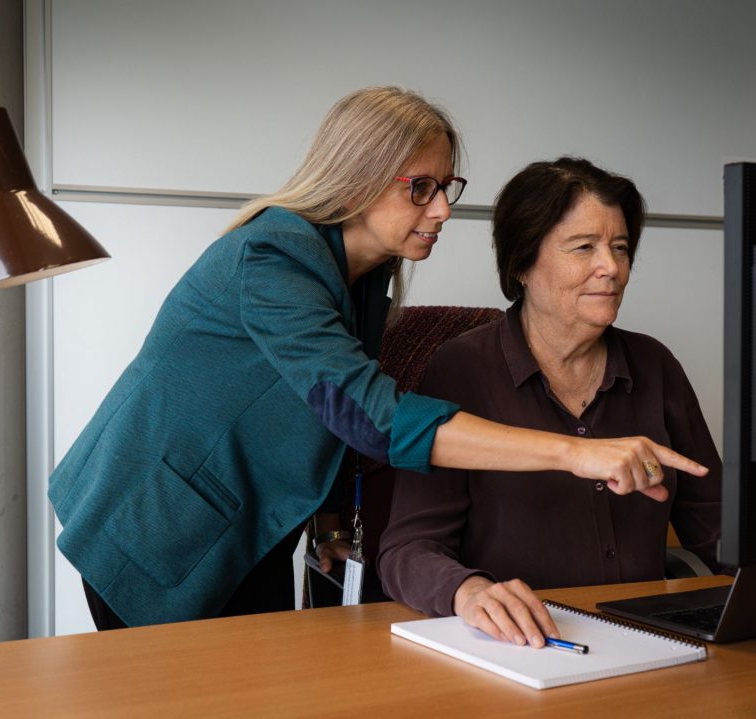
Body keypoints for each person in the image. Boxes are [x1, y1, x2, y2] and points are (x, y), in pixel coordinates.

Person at [49, 90, 709, 630]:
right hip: (161, 525)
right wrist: (574, 452)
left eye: (446, 185)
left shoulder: (366, 277)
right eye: (420, 187)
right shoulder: (275, 258)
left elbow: (320, 409)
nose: (444, 209)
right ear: (357, 181)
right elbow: (374, 418)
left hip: (256, 528)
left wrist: (336, 521)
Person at [378, 157, 722, 649]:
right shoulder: (460, 370)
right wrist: (469, 591)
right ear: (521, 263)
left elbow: (719, 527)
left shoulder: (654, 365)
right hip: (525, 649)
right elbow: (406, 550)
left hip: (644, 642)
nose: (612, 268)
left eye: (620, 248)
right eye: (584, 248)